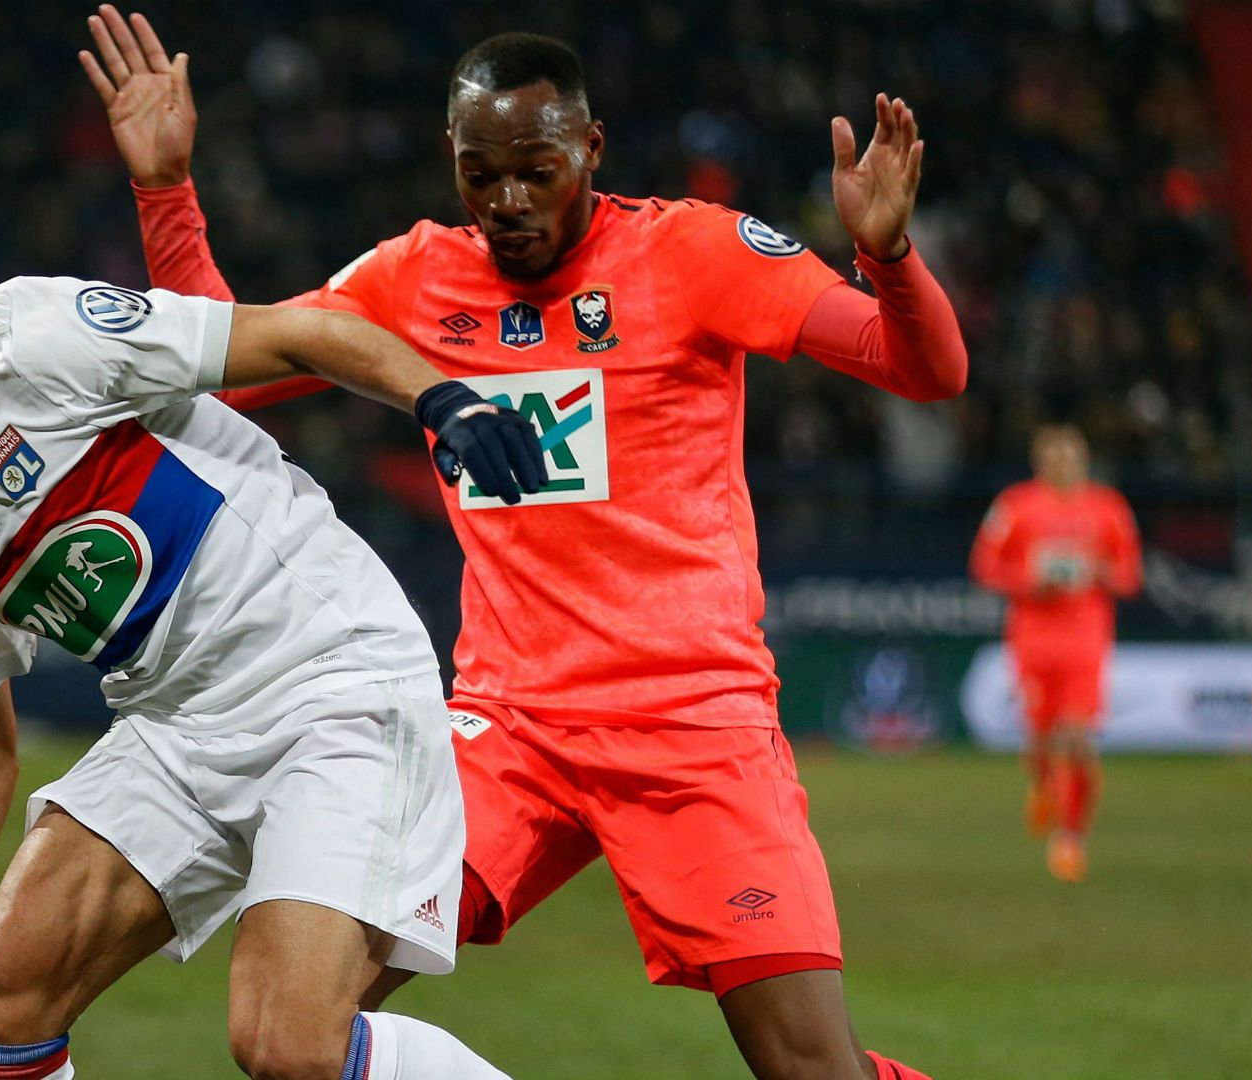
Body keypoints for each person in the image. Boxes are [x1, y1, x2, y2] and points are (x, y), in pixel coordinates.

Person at [84, 10, 966, 1079]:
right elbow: (225, 363)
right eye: (479, 174)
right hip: (505, 729)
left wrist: (890, 257)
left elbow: (923, 370)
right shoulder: (416, 278)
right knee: (291, 1030)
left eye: (536, 171)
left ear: (589, 151)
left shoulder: (691, 251)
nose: (506, 202)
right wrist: (166, 192)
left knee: (809, 1068)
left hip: (691, 722)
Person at [0, 244, 548, 1080]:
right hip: (175, 723)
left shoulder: (26, 343)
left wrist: (443, 400)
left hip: (327, 673)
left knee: (291, 1049)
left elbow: (296, 334)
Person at [970, 424, 1141, 883]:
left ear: (1084, 460)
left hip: (1085, 638)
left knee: (1078, 739)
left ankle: (1070, 838)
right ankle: (1045, 786)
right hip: (1032, 638)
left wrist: (1100, 571)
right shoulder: (1015, 506)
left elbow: (1129, 574)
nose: (1063, 464)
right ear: (1039, 461)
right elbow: (984, 565)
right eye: (1055, 457)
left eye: (1072, 456)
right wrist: (1028, 581)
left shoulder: (1109, 509)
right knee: (1039, 744)